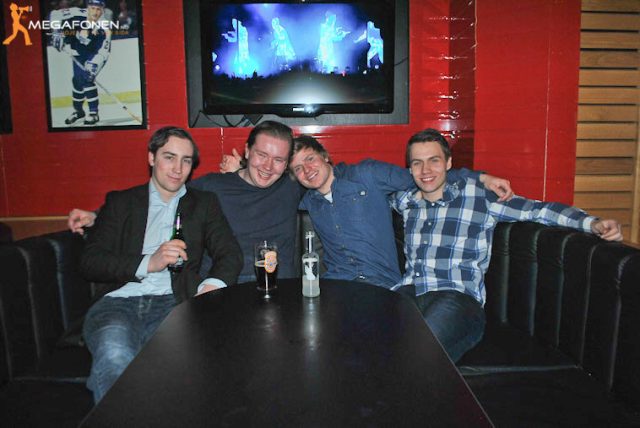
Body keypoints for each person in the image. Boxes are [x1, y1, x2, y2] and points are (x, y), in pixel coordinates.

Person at [390, 128, 623, 362]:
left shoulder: (478, 196)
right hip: (409, 293)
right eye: (417, 163)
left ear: (449, 163)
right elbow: (375, 187)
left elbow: (538, 210)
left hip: (456, 297)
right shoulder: (406, 201)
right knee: (376, 341)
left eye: (434, 160)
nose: (426, 170)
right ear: (410, 169)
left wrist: (592, 223)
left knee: (421, 351)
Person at [80, 126, 243, 402]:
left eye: (186, 160)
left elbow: (230, 253)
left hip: (175, 303)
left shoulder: (203, 203)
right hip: (118, 303)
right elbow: (90, 261)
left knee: (173, 368)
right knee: (115, 356)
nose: (178, 168)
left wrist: (210, 286)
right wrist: (148, 262)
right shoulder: (121, 202)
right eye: (169, 157)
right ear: (151, 158)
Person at [70, 121, 303, 283]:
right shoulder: (213, 186)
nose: (268, 166)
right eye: (262, 155)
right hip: (223, 288)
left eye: (278, 159)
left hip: (278, 288)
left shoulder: (292, 186)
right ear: (247, 151)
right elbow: (160, 194)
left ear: (286, 164)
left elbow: (321, 171)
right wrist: (96, 216)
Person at [288, 135, 513, 289]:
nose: (307, 170)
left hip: (380, 285)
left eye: (310, 159)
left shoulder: (367, 174)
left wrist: (481, 178)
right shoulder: (308, 201)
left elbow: (425, 177)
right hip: (335, 285)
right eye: (298, 168)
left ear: (325, 155)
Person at [49, 0, 113, 126]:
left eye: (98, 9)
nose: (95, 12)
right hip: (78, 51)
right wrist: (56, 31)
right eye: (92, 8)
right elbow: (55, 14)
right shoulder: (77, 12)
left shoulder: (105, 26)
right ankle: (78, 111)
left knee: (86, 79)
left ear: (103, 10)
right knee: (77, 81)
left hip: (95, 55)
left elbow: (104, 51)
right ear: (87, 7)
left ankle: (94, 113)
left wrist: (94, 66)